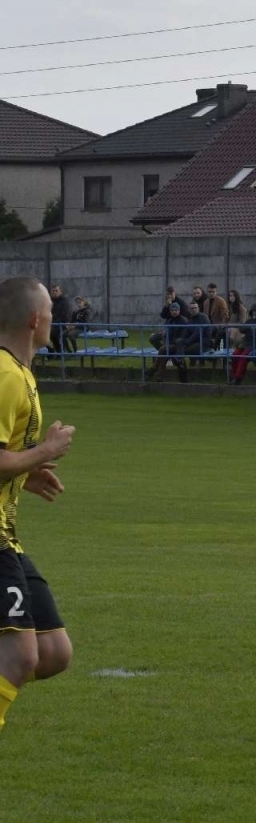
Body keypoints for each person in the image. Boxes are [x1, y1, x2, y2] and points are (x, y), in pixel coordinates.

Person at [0, 276, 78, 733]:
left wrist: (25, 472)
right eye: (50, 310)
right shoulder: (6, 376)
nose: (53, 317)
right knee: (19, 655)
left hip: (7, 533)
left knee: (52, 651)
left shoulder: (20, 372)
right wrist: (44, 451)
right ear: (34, 319)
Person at [47, 285, 68, 355]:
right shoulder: (50, 301)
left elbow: (63, 315)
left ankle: (59, 351)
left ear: (60, 292)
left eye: (56, 291)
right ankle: (51, 350)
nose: (55, 292)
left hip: (61, 323)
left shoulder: (64, 302)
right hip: (52, 323)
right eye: (53, 291)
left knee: (52, 332)